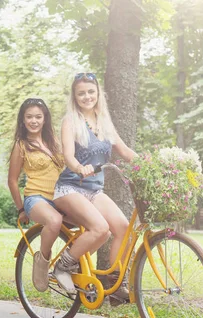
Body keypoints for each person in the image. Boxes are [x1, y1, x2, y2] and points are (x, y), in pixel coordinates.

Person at [52, 72, 138, 303]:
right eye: (81, 93)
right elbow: (68, 155)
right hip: (70, 188)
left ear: (98, 93)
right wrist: (80, 167)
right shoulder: (70, 122)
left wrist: (150, 165)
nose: (87, 96)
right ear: (75, 97)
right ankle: (62, 267)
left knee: (122, 228)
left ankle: (115, 283)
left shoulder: (105, 122)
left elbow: (125, 151)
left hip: (93, 191)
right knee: (100, 229)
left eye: (91, 91)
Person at [8, 98, 64, 292]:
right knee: (54, 221)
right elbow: (12, 180)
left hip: (61, 197)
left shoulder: (55, 142)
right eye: (29, 117)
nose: (34, 121)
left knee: (95, 227)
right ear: (23, 121)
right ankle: (42, 261)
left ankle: (66, 266)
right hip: (36, 198)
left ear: (45, 119)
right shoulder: (21, 145)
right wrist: (21, 209)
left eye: (38, 117)